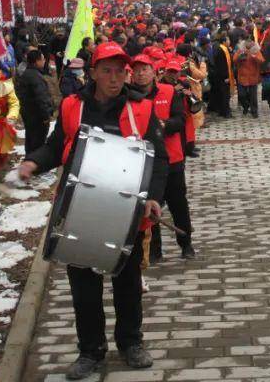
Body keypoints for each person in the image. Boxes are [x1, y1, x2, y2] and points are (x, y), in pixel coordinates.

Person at [17, 41, 168, 380]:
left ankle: (130, 343)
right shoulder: (73, 106)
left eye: (120, 72)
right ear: (93, 73)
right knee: (84, 288)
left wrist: (155, 197)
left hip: (128, 213)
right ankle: (90, 351)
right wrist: (32, 162)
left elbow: (159, 158)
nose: (115, 78)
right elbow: (57, 147)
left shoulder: (141, 109)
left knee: (127, 283)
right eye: (107, 71)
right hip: (79, 212)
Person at [128, 54, 197, 262]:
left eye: (145, 69)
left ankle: (186, 244)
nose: (141, 74)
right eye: (137, 70)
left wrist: (163, 125)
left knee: (178, 204)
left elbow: (181, 119)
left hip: (172, 158)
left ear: (153, 71)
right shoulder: (129, 97)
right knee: (149, 205)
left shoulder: (168, 92)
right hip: (143, 161)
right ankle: (155, 250)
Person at [15, 49, 55, 156]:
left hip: (28, 113)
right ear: (36, 61)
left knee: (31, 139)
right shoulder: (35, 77)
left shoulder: (27, 74)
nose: (44, 61)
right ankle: (35, 166)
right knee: (38, 142)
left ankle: (30, 162)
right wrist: (46, 115)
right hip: (37, 116)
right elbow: (41, 98)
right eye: (42, 59)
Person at [234, 38, 264, 118]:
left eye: (251, 41)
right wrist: (240, 57)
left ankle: (254, 111)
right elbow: (234, 60)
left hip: (253, 76)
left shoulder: (256, 50)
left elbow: (261, 60)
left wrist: (254, 57)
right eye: (248, 41)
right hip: (242, 76)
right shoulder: (241, 50)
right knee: (241, 95)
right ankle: (246, 106)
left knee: (253, 96)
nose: (249, 43)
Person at [208, 34, 234, 118]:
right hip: (223, 77)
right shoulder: (221, 50)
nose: (229, 41)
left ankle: (222, 111)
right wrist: (225, 77)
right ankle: (226, 112)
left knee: (223, 94)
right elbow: (222, 65)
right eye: (228, 40)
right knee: (225, 95)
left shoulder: (221, 48)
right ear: (224, 42)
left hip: (220, 76)